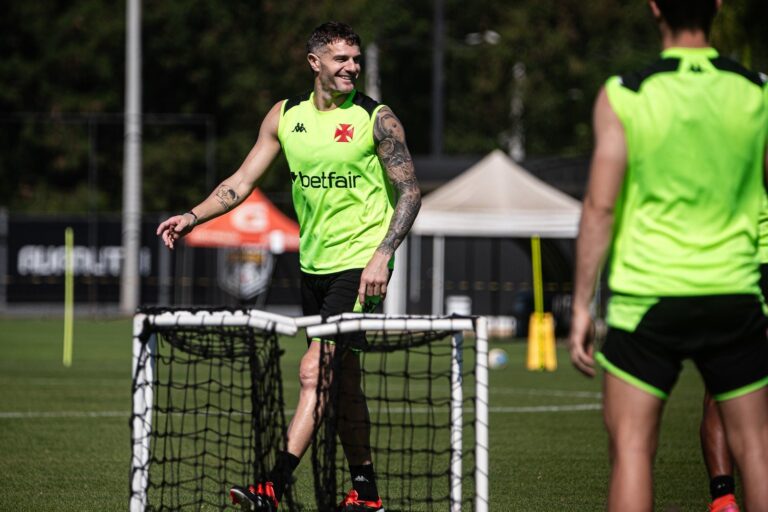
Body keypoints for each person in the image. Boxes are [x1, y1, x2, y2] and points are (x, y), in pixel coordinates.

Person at [156, 21, 421, 512]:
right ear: (314, 62)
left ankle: (272, 486)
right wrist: (193, 216)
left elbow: (410, 190)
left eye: (356, 59)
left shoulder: (376, 118)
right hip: (313, 266)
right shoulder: (284, 115)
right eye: (342, 59)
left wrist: (383, 254)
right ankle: (366, 493)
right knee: (342, 385)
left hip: (360, 268)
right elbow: (241, 182)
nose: (353, 68)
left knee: (312, 373)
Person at [567, 1, 768, 511]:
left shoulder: (625, 94)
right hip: (734, 291)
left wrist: (583, 305)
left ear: (655, 7)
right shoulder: (756, 92)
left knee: (633, 452)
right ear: (716, 5)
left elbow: (599, 206)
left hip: (646, 297)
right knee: (757, 451)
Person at [699, 199, 768, 512]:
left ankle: (723, 499)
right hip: (738, 257)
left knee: (721, 383)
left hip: (723, 258)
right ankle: (724, 497)